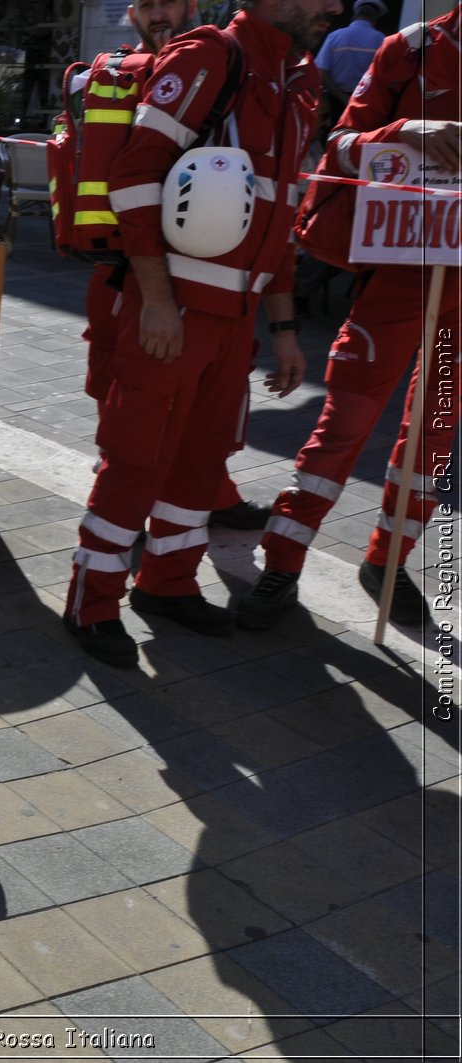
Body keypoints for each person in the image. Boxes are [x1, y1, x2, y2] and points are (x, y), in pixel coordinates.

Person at [63, 0, 334, 668]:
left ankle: (168, 583)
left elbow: (278, 222)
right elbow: (132, 176)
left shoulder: (299, 84)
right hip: (173, 309)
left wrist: (286, 329)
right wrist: (155, 299)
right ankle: (91, 600)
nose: (335, 6)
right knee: (137, 457)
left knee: (201, 454)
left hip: (235, 319)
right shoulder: (210, 56)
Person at [239, 3, 460, 630]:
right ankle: (282, 560)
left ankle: (388, 562)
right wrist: (401, 134)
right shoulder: (411, 49)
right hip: (399, 275)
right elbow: (337, 147)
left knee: (435, 435)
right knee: (346, 421)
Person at [79, 0, 273, 531]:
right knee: (126, 398)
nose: (160, 13)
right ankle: (121, 499)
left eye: (172, 2)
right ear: (132, 14)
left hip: (200, 277)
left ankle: (211, 491)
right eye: (148, 5)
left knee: (204, 408)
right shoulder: (120, 78)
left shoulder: (222, 67)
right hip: (125, 270)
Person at [317, 0, 387, 118]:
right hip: (365, 104)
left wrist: (344, 98)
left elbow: (321, 73)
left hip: (333, 102)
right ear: (375, 19)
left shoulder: (335, 36)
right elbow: (385, 76)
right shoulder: (382, 40)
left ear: (355, 16)